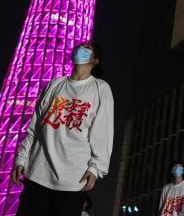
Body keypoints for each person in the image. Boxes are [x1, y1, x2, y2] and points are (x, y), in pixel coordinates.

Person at [12, 42, 114, 216]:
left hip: (73, 179)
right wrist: (21, 159)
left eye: (87, 49)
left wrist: (96, 168)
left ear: (96, 61)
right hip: (38, 173)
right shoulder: (55, 85)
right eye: (80, 47)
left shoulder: (100, 89)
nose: (81, 50)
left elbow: (102, 133)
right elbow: (35, 127)